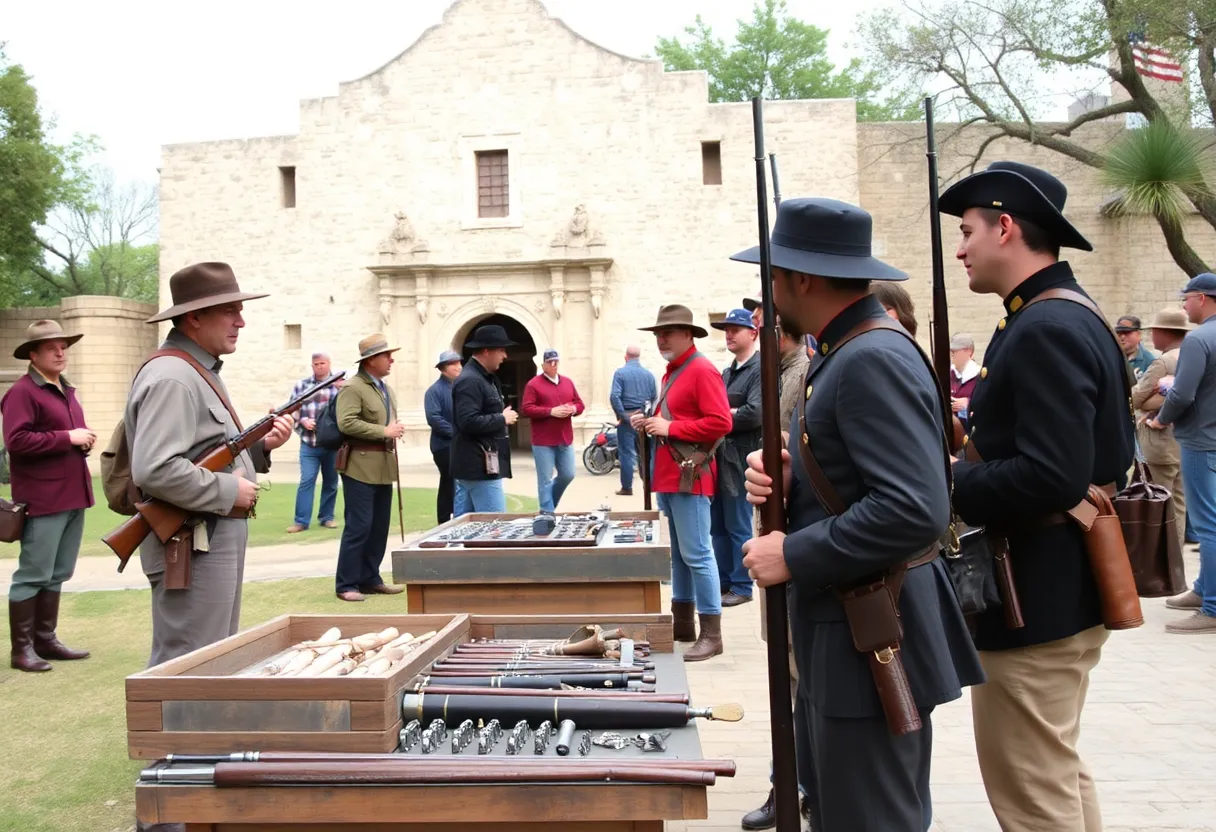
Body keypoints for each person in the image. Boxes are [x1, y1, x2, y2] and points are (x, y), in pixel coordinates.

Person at [735, 197, 983, 830]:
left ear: (803, 280)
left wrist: (791, 552)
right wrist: (797, 483)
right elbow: (860, 481)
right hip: (847, 626)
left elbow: (913, 508)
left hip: (871, 628)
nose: (767, 292)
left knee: (871, 819)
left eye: (774, 275)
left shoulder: (869, 356)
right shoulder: (844, 350)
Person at [939, 161, 1135, 830]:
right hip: (1053, 590)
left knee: (1033, 800)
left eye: (967, 232)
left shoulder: (1046, 325)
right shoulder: (1053, 315)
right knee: (1054, 776)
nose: (960, 249)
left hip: (1036, 599)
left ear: (1006, 225)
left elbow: (1052, 475)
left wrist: (948, 482)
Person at [125, 262, 294, 671]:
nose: (242, 321)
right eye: (229, 310)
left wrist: (260, 449)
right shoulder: (174, 377)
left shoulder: (197, 370)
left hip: (206, 536)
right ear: (194, 316)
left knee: (213, 658)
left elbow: (203, 451)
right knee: (189, 664)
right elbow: (156, 468)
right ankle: (179, 738)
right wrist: (227, 491)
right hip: (191, 542)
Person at [737, 297, 816, 828]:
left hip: (797, 545)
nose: (752, 332)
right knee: (787, 676)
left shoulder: (802, 374)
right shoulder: (783, 372)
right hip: (777, 537)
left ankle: (795, 783)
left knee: (798, 679)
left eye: (763, 325)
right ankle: (789, 781)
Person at [632, 304, 732, 661]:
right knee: (680, 556)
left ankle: (712, 634)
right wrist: (650, 422)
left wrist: (670, 427)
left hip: (690, 475)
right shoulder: (672, 372)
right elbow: (677, 417)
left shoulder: (702, 370)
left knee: (698, 555)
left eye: (668, 333)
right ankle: (684, 624)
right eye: (658, 334)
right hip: (672, 476)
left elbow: (721, 423)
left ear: (688, 334)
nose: (661, 339)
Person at [2, 320, 94, 673]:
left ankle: (46, 640)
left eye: (63, 346)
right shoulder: (22, 392)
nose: (60, 352)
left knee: (58, 572)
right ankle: (21, 650)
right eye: (51, 347)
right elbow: (17, 442)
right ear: (33, 354)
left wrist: (80, 441)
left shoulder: (66, 390)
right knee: (33, 573)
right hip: (43, 498)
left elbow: (60, 438)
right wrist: (67, 438)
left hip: (73, 494)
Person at [1147, 273, 1216, 634]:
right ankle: (1204, 588)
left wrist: (1161, 418)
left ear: (1202, 298)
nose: (1184, 305)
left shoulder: (1199, 339)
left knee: (1208, 526)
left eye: (1187, 298)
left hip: (1201, 441)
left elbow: (1184, 393)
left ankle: (1212, 607)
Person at [333, 333, 406, 602]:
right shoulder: (353, 387)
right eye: (387, 355)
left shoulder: (385, 389)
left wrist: (392, 430)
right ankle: (346, 584)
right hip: (359, 466)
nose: (391, 360)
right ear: (372, 359)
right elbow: (346, 422)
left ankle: (370, 578)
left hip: (383, 466)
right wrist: (383, 430)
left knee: (378, 527)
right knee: (359, 526)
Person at [709, 308, 762, 606]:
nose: (728, 334)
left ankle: (742, 586)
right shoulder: (727, 373)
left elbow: (754, 414)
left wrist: (723, 417)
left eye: (735, 329)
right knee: (717, 525)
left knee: (738, 523)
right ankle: (725, 580)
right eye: (726, 329)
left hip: (740, 459)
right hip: (719, 456)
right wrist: (728, 416)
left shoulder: (759, 370)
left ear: (752, 333)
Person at [1132, 308, 1191, 554]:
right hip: (1184, 442)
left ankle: (1159, 558)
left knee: (1157, 504)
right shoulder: (1194, 356)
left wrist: (1153, 400)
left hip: (1159, 442)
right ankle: (1174, 557)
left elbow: (1136, 398)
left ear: (1163, 332)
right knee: (1178, 504)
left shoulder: (1163, 362)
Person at [452, 324, 518, 514]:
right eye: (501, 350)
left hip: (476, 464)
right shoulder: (471, 380)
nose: (505, 356)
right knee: (493, 528)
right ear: (486, 351)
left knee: (464, 530)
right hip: (478, 465)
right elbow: (467, 421)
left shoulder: (484, 378)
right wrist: (501, 418)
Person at [521, 349, 585, 513]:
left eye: (556, 361)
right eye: (550, 362)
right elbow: (526, 409)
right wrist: (550, 411)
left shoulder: (567, 382)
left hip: (565, 438)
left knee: (568, 474)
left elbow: (580, 404)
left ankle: (549, 506)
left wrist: (572, 409)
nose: (553, 364)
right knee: (545, 479)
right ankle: (547, 512)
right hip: (543, 440)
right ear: (543, 365)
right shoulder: (533, 384)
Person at [286, 351, 340, 533]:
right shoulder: (302, 385)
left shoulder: (339, 385)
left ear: (329, 364)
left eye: (322, 363)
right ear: (312, 366)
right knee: (307, 480)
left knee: (331, 482)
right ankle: (301, 521)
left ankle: (327, 517)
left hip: (332, 444)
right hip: (309, 443)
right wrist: (302, 421)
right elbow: (291, 409)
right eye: (316, 364)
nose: (319, 367)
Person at [609, 346, 657, 496]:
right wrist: (646, 415)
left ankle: (627, 487)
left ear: (626, 357)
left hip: (628, 418)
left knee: (627, 454)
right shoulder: (648, 375)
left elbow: (614, 396)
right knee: (646, 454)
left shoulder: (620, 374)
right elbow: (654, 396)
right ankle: (648, 486)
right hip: (644, 418)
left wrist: (623, 416)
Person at [425, 350, 462, 524]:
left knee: (458, 482)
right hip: (444, 445)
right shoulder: (434, 391)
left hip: (461, 443)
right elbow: (434, 418)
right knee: (449, 480)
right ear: (442, 368)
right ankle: (444, 518)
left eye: (459, 363)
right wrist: (457, 433)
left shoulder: (462, 387)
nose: (458, 366)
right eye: (452, 364)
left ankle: (457, 516)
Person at [948, 333, 980, 428]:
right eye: (951, 351)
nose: (952, 354)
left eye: (956, 350)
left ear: (968, 351)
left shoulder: (979, 376)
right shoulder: (948, 375)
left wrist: (968, 404)